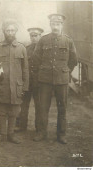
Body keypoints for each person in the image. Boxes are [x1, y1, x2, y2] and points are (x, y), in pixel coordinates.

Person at [33, 14, 78, 144]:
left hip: (61, 79)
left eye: (58, 24)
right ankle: (42, 132)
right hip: (45, 79)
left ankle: (61, 134)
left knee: (62, 107)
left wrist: (65, 70)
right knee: (43, 107)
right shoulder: (43, 40)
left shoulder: (68, 40)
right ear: (50, 25)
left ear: (61, 25)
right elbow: (36, 58)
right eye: (53, 24)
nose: (55, 26)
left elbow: (73, 60)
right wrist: (43, 70)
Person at [0, 19, 29, 144]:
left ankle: (11, 134)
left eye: (12, 30)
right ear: (4, 32)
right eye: (8, 30)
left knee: (14, 111)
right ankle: (2, 134)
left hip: (16, 86)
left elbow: (25, 69)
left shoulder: (22, 48)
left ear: (16, 31)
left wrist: (25, 86)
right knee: (1, 110)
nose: (10, 33)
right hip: (1, 85)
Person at [17, 27, 44, 132]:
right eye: (32, 36)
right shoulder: (26, 49)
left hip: (39, 82)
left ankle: (39, 129)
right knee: (23, 105)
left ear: (40, 36)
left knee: (39, 106)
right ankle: (22, 126)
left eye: (36, 35)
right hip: (27, 82)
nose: (33, 38)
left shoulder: (44, 50)